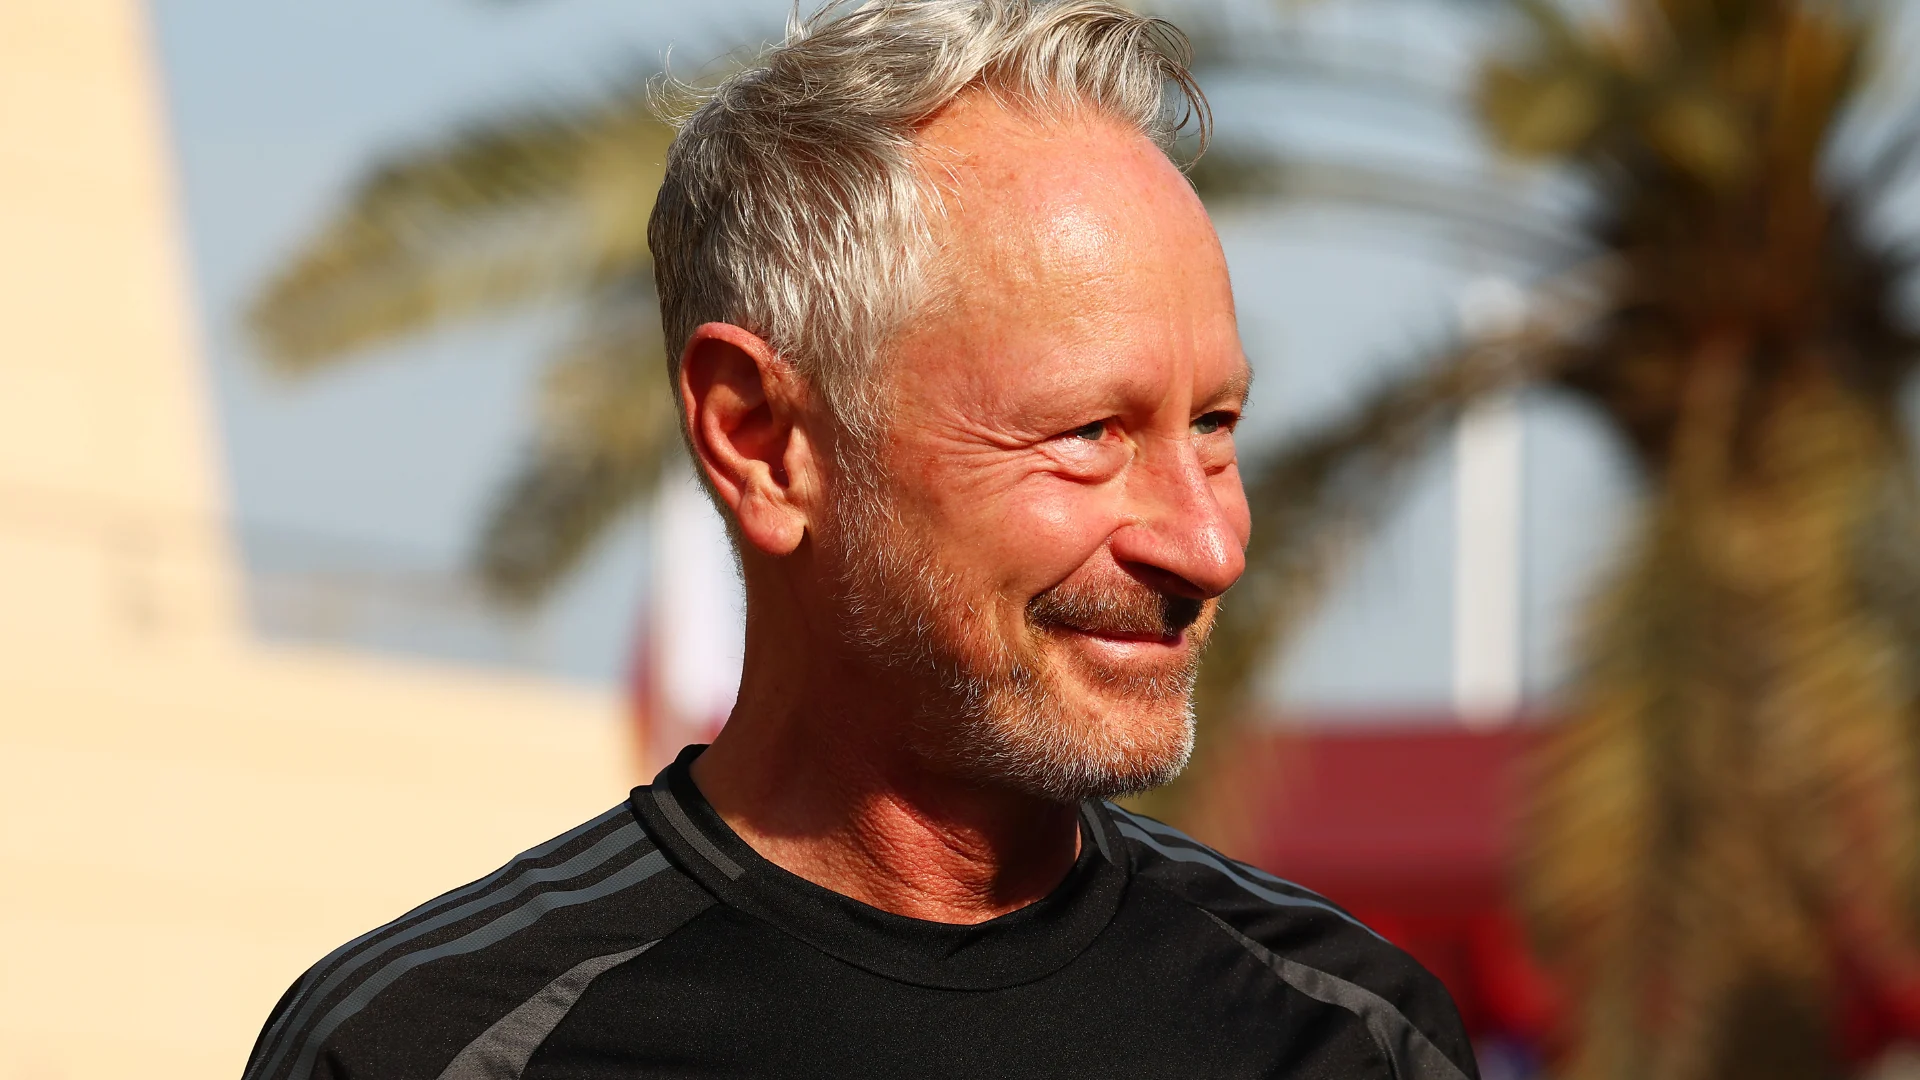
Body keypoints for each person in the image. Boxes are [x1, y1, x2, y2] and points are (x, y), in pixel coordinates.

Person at [242, 2, 1478, 1077]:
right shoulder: (421, 1050)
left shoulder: (1357, 1036)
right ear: (764, 442)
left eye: (1213, 426)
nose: (1207, 545)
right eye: (1091, 431)